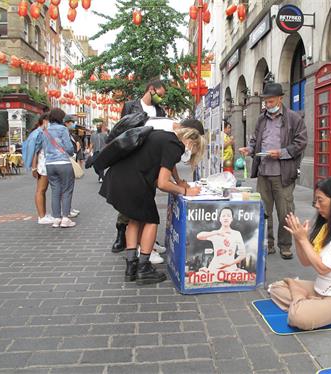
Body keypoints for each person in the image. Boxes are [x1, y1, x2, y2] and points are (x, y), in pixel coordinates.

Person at [99, 127, 206, 284]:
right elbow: (162, 183)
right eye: (195, 150)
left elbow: (169, 165)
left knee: (135, 219)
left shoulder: (164, 137)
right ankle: (144, 269)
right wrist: (184, 191)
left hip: (118, 177)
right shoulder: (176, 146)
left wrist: (177, 180)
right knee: (151, 220)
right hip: (134, 182)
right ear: (190, 142)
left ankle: (131, 267)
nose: (191, 153)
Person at [268, 176, 331, 330]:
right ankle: (308, 302)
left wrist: (304, 240)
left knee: (298, 318)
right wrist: (299, 239)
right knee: (276, 287)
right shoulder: (327, 225)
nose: (317, 206)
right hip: (321, 290)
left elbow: (323, 268)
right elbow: (306, 262)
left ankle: (301, 298)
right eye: (315, 201)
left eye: (320, 200)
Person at [239, 82, 308, 260]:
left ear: (280, 99)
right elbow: (256, 140)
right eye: (266, 102)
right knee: (264, 211)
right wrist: (250, 149)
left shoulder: (293, 118)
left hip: (283, 173)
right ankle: (268, 243)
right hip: (264, 172)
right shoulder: (261, 119)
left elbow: (301, 142)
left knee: (285, 212)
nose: (268, 105)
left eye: (270, 101)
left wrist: (282, 153)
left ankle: (285, 245)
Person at [111, 80, 168, 261]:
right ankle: (122, 234)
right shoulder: (130, 106)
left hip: (150, 160)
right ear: (151, 90)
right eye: (160, 93)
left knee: (147, 199)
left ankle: (146, 241)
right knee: (129, 202)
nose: (161, 97)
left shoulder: (160, 111)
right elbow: (122, 130)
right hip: (131, 157)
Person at [37, 108, 76, 228]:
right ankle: (65, 218)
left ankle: (56, 218)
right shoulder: (63, 129)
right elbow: (69, 147)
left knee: (55, 191)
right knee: (67, 190)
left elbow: (43, 147)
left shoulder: (45, 130)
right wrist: (71, 153)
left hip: (49, 164)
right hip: (63, 163)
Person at [22, 113, 54, 225]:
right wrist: (34, 168)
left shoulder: (39, 132)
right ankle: (41, 216)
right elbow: (34, 151)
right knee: (41, 190)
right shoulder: (39, 133)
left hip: (42, 164)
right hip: (41, 165)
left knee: (42, 190)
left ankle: (44, 214)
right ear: (45, 121)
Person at [196, 207, 247, 276]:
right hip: (216, 267)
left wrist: (230, 263)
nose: (226, 218)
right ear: (220, 219)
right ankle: (210, 272)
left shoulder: (236, 234)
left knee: (244, 274)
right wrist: (217, 233)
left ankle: (214, 274)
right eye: (223, 216)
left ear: (231, 219)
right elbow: (199, 236)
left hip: (231, 267)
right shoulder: (215, 233)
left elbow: (243, 254)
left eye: (228, 216)